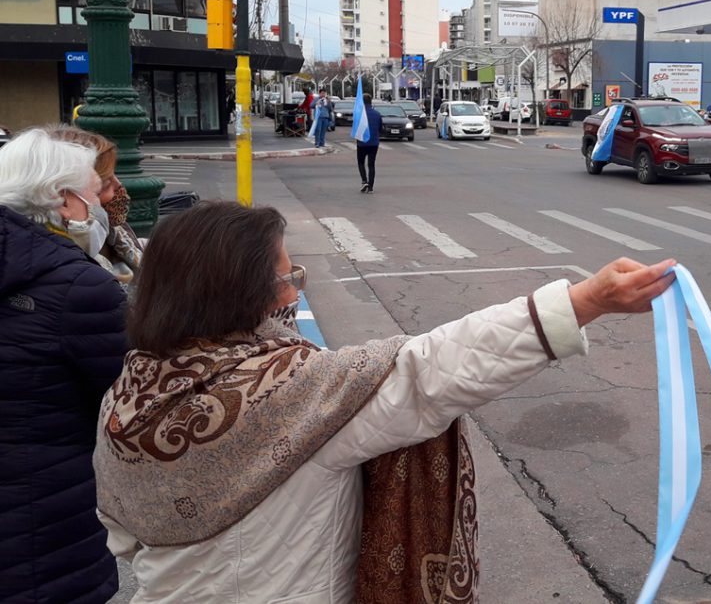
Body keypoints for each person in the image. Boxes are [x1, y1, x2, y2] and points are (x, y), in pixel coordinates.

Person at [92, 200, 674, 602]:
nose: (296, 289)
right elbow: (432, 368)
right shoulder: (293, 393)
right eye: (286, 276)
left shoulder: (130, 391)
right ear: (240, 296)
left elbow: (119, 531)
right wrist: (584, 301)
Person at [0, 128, 128, 603]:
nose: (101, 204)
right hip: (46, 521)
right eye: (95, 194)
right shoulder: (79, 288)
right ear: (64, 201)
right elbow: (125, 401)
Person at [49, 126, 144, 286]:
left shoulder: (115, 233)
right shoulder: (63, 269)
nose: (119, 187)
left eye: (116, 175)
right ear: (62, 198)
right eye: (104, 185)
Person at [356, 93, 383, 193]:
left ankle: (364, 180)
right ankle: (371, 187)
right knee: (371, 165)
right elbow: (380, 127)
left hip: (362, 143)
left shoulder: (359, 114)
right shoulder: (377, 114)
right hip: (374, 143)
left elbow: (356, 128)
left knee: (361, 162)